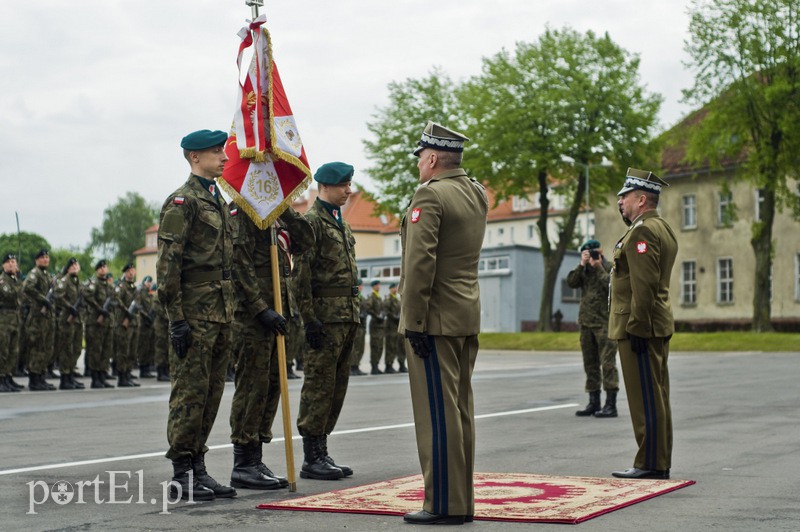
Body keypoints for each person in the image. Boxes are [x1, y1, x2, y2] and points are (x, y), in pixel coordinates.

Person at [399, 122, 488, 525]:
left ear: (432, 158)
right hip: (465, 314)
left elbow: (420, 264)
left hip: (433, 319)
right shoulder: (475, 192)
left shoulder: (430, 195)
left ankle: (444, 504)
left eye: (420, 157)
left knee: (438, 413)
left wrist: (413, 321)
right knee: (459, 411)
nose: (419, 164)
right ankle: (460, 500)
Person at [157, 129, 238, 501]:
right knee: (189, 395)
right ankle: (181, 472)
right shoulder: (182, 202)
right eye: (215, 152)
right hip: (194, 312)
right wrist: (176, 319)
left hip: (221, 312)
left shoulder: (217, 201)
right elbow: (167, 268)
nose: (223, 157)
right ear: (194, 158)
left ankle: (199, 466)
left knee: (211, 393)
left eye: (222, 151)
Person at [228, 205, 314, 490]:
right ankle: (243, 462)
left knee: (272, 384)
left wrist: (286, 209)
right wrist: (260, 308)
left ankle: (256, 456)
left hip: (279, 313)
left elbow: (306, 240)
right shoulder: (242, 213)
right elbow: (239, 265)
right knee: (253, 385)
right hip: (255, 318)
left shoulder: (276, 214)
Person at [609, 168, 678, 480]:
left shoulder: (642, 231)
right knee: (657, 395)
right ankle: (657, 459)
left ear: (641, 199)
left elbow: (644, 285)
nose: (620, 202)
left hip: (641, 326)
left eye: (624, 197)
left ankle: (649, 462)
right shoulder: (662, 227)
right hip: (656, 323)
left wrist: (636, 326)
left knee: (645, 397)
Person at [294, 162, 360, 481]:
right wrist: (309, 320)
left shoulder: (341, 223)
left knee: (336, 387)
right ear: (324, 187)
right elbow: (300, 277)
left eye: (349, 184)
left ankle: (322, 449)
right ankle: (311, 456)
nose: (349, 190)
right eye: (343, 185)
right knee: (318, 386)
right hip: (324, 318)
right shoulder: (311, 223)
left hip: (346, 316)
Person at [566, 239, 619, 417]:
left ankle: (611, 405)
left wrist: (598, 267)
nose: (593, 257)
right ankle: (593, 402)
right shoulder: (584, 271)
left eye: (595, 253)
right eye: (588, 254)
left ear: (601, 252)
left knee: (608, 364)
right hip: (587, 324)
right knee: (590, 365)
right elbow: (571, 282)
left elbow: (613, 287)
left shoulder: (610, 267)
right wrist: (582, 264)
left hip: (605, 324)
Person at [22, 249, 56, 391]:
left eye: (47, 257)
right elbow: (27, 287)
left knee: (46, 348)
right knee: (37, 348)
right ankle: (34, 379)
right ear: (37, 260)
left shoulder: (47, 275)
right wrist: (43, 300)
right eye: (42, 258)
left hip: (47, 317)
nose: (46, 260)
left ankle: (42, 377)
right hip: (37, 317)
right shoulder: (34, 273)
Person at [53, 258, 85, 390]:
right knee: (66, 349)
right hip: (67, 319)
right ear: (68, 268)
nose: (75, 267)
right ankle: (65, 378)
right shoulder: (64, 281)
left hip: (77, 319)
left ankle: (71, 375)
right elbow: (58, 296)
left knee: (76, 349)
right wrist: (69, 306)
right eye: (72, 265)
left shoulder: (78, 282)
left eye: (76, 265)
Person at [83, 260, 114, 389]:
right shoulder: (93, 283)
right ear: (97, 270)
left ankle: (102, 376)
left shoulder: (108, 285)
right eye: (101, 267)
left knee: (106, 350)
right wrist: (99, 309)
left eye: (105, 267)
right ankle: (95, 379)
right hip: (95, 322)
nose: (103, 269)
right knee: (96, 350)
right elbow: (88, 297)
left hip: (107, 322)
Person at [113, 263, 139, 387]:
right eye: (129, 270)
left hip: (133, 322)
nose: (131, 272)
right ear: (125, 272)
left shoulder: (134, 286)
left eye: (133, 270)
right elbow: (117, 300)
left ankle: (128, 374)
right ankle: (122, 377)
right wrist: (127, 311)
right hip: (123, 322)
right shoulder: (120, 286)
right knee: (123, 350)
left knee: (132, 351)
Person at [0, 254, 23, 392]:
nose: (11, 264)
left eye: (13, 261)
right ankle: (1, 378)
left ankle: (8, 377)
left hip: (14, 317)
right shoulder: (3, 281)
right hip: (4, 318)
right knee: (3, 349)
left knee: (13, 350)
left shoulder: (15, 280)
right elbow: (11, 295)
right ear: (3, 265)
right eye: (8, 262)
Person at [134, 276, 156, 379]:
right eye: (148, 282)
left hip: (150, 323)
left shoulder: (150, 293)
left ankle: (147, 368)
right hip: (143, 323)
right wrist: (145, 316)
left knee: (149, 347)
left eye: (151, 283)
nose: (150, 284)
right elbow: (138, 305)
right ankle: (143, 369)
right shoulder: (140, 292)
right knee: (143, 346)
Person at [383, 282, 406, 373]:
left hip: (397, 327)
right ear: (390, 289)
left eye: (395, 287)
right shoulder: (388, 300)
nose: (395, 289)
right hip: (390, 326)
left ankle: (401, 364)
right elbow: (386, 311)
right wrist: (394, 316)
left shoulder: (397, 300)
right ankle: (389, 365)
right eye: (393, 288)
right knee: (390, 346)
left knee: (400, 346)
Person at [365, 279, 385, 374]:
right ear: (373, 287)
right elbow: (368, 308)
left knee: (380, 346)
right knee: (375, 345)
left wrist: (383, 315)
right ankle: (374, 366)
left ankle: (376, 365)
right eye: (377, 285)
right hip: (375, 325)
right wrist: (377, 316)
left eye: (379, 285)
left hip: (380, 325)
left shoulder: (378, 297)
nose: (378, 287)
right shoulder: (372, 297)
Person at [349, 279, 367, 376]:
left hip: (362, 326)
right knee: (354, 348)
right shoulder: (354, 297)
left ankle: (357, 366)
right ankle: (352, 367)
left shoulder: (362, 298)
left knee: (360, 347)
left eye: (361, 286)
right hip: (356, 326)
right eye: (360, 286)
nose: (361, 287)